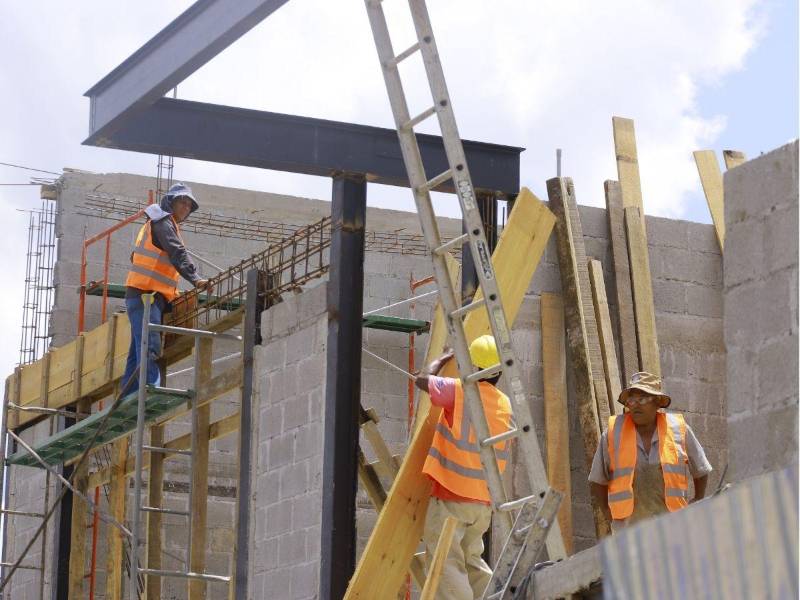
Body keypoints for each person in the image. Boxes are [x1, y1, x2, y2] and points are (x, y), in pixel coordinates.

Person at [415, 335, 511, 600]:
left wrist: (444, 357)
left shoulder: (459, 391)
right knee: (472, 560)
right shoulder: (505, 404)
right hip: (481, 503)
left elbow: (422, 379)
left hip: (451, 497)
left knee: (446, 562)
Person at [588, 371, 712, 531]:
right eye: (631, 400)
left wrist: (698, 500)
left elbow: (701, 469)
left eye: (642, 399)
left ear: (657, 402)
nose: (635, 405)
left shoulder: (678, 430)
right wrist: (607, 512)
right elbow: (597, 479)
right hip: (628, 532)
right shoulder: (613, 433)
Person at [121, 183, 211, 395]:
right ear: (170, 202)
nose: (186, 208)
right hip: (146, 296)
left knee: (137, 351)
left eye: (189, 206)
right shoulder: (162, 222)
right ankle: (150, 390)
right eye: (182, 202)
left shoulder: (157, 223)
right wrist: (195, 278)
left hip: (146, 296)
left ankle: (128, 396)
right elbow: (176, 251)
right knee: (149, 346)